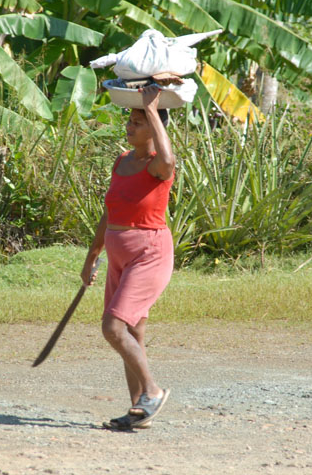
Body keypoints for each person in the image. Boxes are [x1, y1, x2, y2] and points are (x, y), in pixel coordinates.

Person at [81, 84, 176, 430]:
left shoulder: (158, 166)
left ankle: (153, 391)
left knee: (113, 327)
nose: (130, 125)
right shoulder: (122, 161)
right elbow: (111, 211)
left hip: (149, 253)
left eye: (138, 121)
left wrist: (152, 108)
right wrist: (92, 256)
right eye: (131, 120)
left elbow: (168, 159)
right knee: (133, 333)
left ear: (155, 127)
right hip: (119, 254)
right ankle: (140, 410)